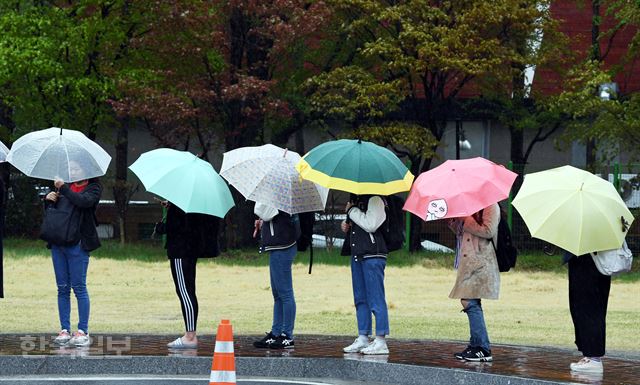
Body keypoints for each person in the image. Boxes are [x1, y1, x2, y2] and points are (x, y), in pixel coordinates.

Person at [46, 175, 102, 347]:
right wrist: (48, 200)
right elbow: (55, 214)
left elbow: (82, 202)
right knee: (62, 288)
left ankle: (82, 330)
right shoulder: (63, 186)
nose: (76, 170)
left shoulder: (93, 188)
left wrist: (63, 188)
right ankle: (64, 329)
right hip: (58, 242)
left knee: (79, 287)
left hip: (78, 244)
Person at [157, 201, 220, 349]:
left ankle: (190, 336)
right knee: (189, 291)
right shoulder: (194, 201)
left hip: (180, 249)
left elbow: (179, 226)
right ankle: (190, 334)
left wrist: (163, 227)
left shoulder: (181, 202)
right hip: (191, 249)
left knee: (185, 292)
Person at [448, 203, 500, 362]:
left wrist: (467, 219)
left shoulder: (491, 205)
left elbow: (488, 230)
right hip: (469, 263)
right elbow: (461, 233)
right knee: (471, 300)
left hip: (481, 261)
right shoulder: (470, 206)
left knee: (469, 300)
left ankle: (482, 348)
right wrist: (454, 221)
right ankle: (476, 345)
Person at [340, 194, 390, 355]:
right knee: (360, 298)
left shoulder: (376, 199)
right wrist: (346, 224)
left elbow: (371, 225)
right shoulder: (359, 201)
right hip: (358, 254)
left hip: (373, 256)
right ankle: (363, 337)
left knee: (376, 298)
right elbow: (359, 223)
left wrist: (351, 211)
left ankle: (381, 340)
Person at [252, 202, 299, 349]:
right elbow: (268, 215)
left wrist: (262, 216)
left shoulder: (278, 191)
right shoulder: (276, 193)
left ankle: (287, 335)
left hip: (283, 246)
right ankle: (276, 332)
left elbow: (263, 211)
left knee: (285, 293)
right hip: (277, 246)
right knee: (277, 294)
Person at [563, 250, 611, 374]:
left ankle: (594, 357)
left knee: (589, 308)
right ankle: (590, 355)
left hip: (590, 259)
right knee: (583, 307)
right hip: (585, 258)